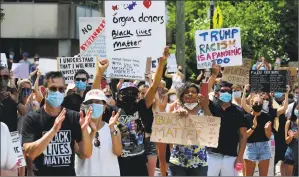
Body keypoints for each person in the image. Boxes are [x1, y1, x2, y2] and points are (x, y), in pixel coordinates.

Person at [91, 47, 169, 176]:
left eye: (133, 93)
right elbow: (94, 96)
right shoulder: (111, 111)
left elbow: (154, 85)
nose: (129, 95)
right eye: (125, 92)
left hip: (139, 160)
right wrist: (99, 72)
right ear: (118, 95)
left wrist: (161, 63)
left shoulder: (141, 107)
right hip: (117, 161)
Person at [21, 71, 93, 176]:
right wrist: (53, 131)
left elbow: (86, 153)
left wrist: (84, 129)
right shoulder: (32, 119)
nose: (58, 92)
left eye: (61, 89)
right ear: (44, 91)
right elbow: (30, 153)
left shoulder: (74, 117)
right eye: (53, 88)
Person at [167, 82, 212, 176]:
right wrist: (176, 115)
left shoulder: (203, 111)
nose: (190, 94)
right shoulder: (177, 110)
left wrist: (205, 106)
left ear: (198, 95)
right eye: (187, 92)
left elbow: (212, 127)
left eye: (193, 92)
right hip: (178, 161)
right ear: (182, 96)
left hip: (199, 162)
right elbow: (167, 130)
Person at [75, 89, 122, 176]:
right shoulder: (78, 129)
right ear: (84, 106)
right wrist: (93, 132)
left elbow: (118, 152)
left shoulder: (113, 129)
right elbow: (82, 155)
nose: (93, 105)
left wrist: (112, 129)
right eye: (90, 102)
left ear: (104, 106)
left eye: (97, 102)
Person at [207, 78, 247, 176]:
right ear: (216, 93)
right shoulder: (211, 107)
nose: (226, 93)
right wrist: (213, 75)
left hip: (231, 156)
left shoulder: (239, 112)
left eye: (229, 91)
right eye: (223, 91)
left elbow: (243, 136)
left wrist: (240, 157)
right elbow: (203, 94)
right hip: (211, 154)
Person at [244, 94, 273, 176]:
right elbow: (244, 136)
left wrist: (267, 129)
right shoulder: (246, 117)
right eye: (256, 103)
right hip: (250, 147)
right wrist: (253, 127)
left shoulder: (267, 117)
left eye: (260, 103)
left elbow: (268, 136)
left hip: (264, 146)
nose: (258, 104)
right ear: (251, 103)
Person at [0, 66, 27, 132]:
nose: (2, 80)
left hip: (12, 134)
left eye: (5, 77)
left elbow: (24, 112)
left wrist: (16, 101)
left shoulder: (14, 92)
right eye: (0, 77)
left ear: (9, 78)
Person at [284, 99, 298, 176]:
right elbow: (286, 141)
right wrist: (291, 136)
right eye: (297, 108)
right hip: (290, 155)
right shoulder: (289, 122)